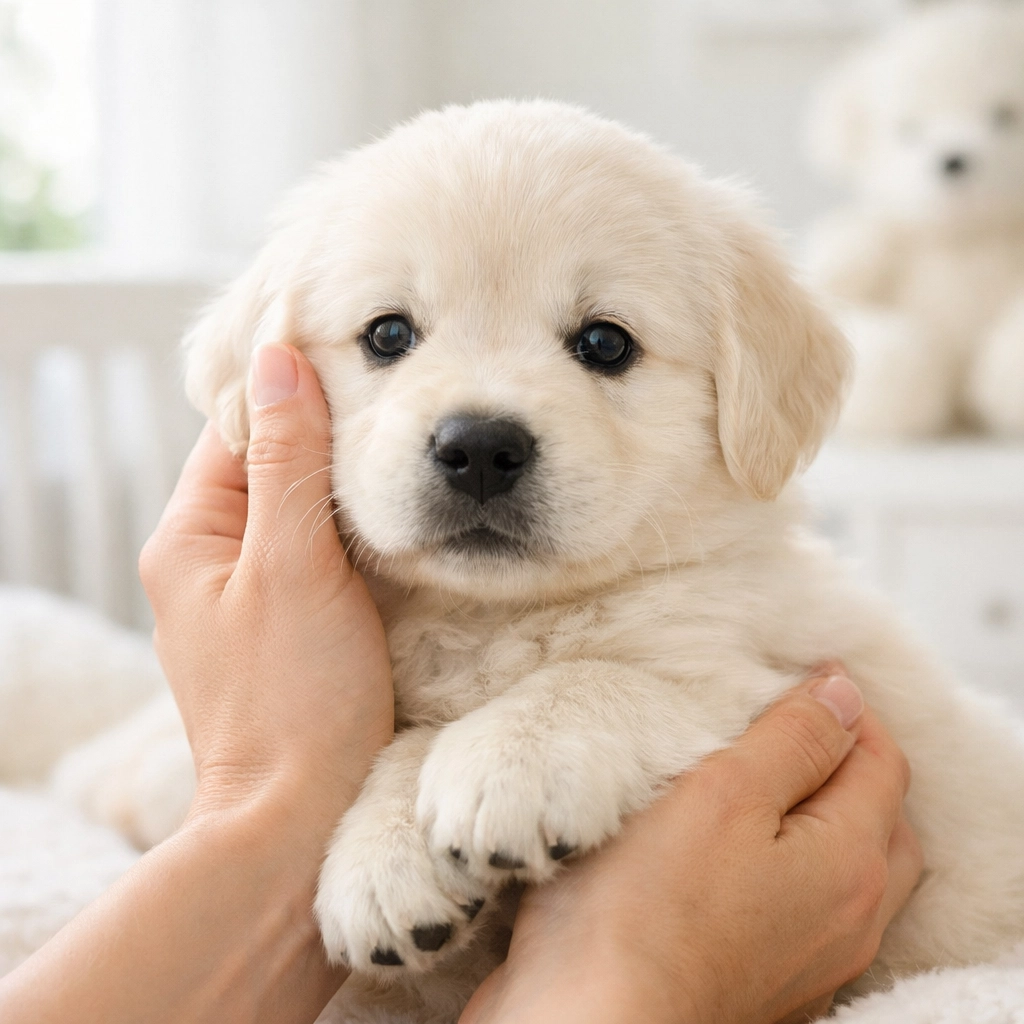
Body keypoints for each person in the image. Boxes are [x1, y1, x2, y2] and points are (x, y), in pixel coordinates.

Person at [0, 342, 922, 1024]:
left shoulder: (719, 599)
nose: (481, 433)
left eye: (602, 345)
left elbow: (707, 717)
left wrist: (298, 809)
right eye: (390, 336)